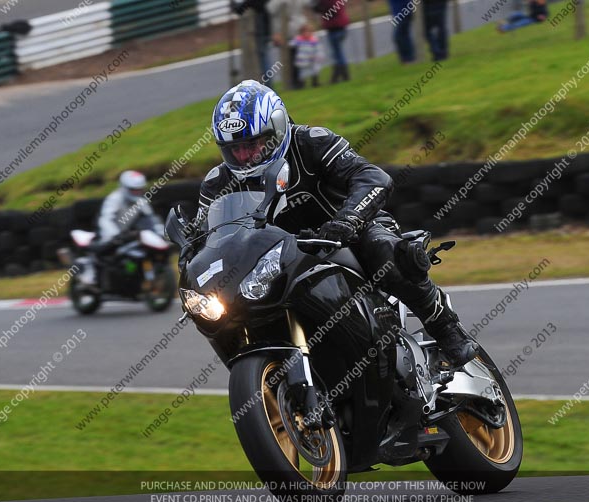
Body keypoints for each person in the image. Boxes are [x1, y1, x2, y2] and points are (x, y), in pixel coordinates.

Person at [181, 80, 479, 368]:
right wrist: (190, 254)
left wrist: (348, 220)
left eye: (252, 144)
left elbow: (373, 177)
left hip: (351, 231)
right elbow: (208, 236)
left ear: (277, 128)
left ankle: (446, 328)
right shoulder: (217, 182)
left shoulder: (312, 142)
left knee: (383, 250)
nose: (244, 156)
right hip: (284, 259)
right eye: (235, 149)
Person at [85, 171, 163, 285]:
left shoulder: (141, 201)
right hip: (108, 234)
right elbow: (105, 219)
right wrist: (114, 235)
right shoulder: (114, 199)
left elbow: (151, 219)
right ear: (124, 187)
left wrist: (161, 232)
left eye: (139, 189)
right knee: (105, 252)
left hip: (125, 235)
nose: (137, 192)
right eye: (134, 190)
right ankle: (92, 275)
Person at [268, 0, 310, 88]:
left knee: (296, 57)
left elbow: (270, 9)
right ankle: (295, 81)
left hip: (294, 30)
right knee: (291, 57)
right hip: (287, 30)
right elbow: (270, 9)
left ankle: (297, 80)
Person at [231, 0, 274, 85]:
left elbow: (241, 8)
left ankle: (267, 84)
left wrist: (234, 5)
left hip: (261, 29)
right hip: (266, 26)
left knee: (263, 58)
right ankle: (267, 83)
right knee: (263, 56)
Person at [314, 0, 350, 82]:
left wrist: (318, 6)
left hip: (334, 27)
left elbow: (328, 9)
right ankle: (339, 75)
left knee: (337, 53)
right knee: (337, 52)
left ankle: (342, 75)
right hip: (340, 25)